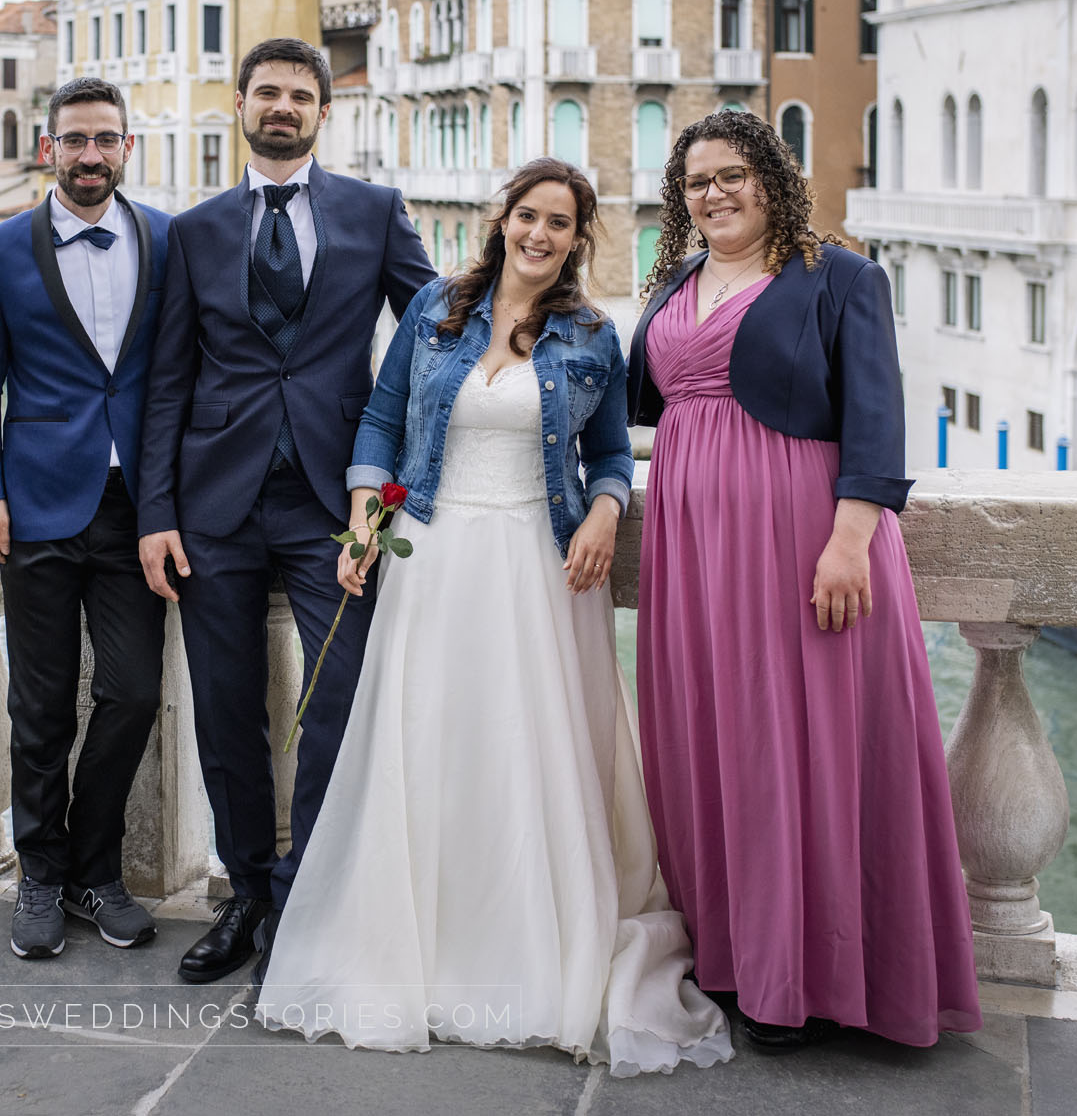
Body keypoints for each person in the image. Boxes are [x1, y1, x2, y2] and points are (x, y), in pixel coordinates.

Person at [255, 158, 733, 1072]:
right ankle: (414, 947)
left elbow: (609, 454)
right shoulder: (435, 308)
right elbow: (382, 420)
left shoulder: (593, 335)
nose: (541, 235)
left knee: (521, 746)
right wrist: (365, 515)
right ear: (502, 220)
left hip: (536, 568)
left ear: (577, 239)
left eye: (561, 223)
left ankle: (523, 943)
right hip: (432, 557)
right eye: (529, 216)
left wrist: (606, 511)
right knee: (431, 741)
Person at [627, 108, 981, 1048]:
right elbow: (631, 402)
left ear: (772, 177)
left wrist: (848, 539)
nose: (716, 193)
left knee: (804, 746)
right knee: (720, 743)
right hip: (692, 547)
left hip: (799, 538)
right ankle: (743, 958)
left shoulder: (840, 276)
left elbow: (876, 419)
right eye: (699, 181)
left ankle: (819, 975)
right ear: (682, 197)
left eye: (734, 174)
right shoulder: (674, 283)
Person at [138, 37, 436, 985]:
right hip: (214, 502)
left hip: (333, 505)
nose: (282, 107)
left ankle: (308, 893)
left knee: (338, 700)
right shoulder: (192, 231)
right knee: (226, 711)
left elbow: (433, 327)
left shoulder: (375, 212)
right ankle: (248, 898)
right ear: (240, 105)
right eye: (266, 92)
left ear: (322, 112)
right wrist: (157, 513)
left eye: (299, 96)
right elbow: (166, 381)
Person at [0, 77, 171, 961]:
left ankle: (95, 866)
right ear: (50, 148)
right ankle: (41, 875)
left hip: (137, 513)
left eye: (106, 140)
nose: (91, 155)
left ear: (126, 148)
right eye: (75, 140)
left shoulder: (165, 238)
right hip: (36, 505)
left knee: (132, 693)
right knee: (41, 707)